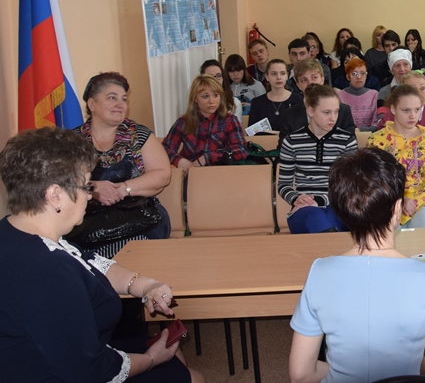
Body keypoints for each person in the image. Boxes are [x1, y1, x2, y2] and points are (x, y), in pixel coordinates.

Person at [0, 128, 204, 383]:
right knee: (192, 377)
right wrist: (151, 359)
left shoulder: (17, 231)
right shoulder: (48, 272)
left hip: (60, 358)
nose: (90, 195)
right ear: (54, 195)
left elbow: (89, 261)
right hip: (63, 373)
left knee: (176, 358)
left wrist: (144, 285)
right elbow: (90, 370)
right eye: (87, 186)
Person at [287, 147, 425, 383]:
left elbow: (301, 375)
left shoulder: (319, 272)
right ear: (397, 210)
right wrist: (409, 367)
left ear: (341, 212)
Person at [73, 72, 172, 256]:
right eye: (112, 98)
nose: (120, 104)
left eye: (124, 99)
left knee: (130, 253)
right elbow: (58, 183)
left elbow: (162, 175)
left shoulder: (140, 135)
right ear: (92, 104)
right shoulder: (72, 141)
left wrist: (124, 189)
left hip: (140, 221)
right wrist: (93, 187)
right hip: (87, 226)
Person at [278, 85, 358, 234]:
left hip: (336, 206)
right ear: (311, 111)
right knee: (314, 215)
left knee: (330, 215)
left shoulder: (347, 140)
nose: (333, 118)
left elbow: (350, 186)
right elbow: (283, 185)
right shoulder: (292, 141)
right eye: (327, 112)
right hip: (303, 210)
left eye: (336, 111)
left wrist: (319, 201)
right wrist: (297, 199)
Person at [368, 85, 425, 228]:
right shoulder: (377, 141)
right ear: (393, 109)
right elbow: (374, 180)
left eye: (417, 110)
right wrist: (400, 200)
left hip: (422, 202)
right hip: (387, 202)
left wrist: (415, 201)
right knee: (383, 233)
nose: (413, 116)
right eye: (406, 110)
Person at [162, 75, 248, 172]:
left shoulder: (230, 120)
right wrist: (179, 161)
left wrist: (207, 157)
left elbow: (241, 150)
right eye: (205, 96)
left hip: (219, 174)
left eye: (215, 95)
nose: (212, 101)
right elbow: (164, 149)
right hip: (191, 174)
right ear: (195, 99)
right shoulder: (183, 122)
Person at [277, 60, 355, 149]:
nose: (310, 83)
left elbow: (350, 147)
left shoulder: (343, 110)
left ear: (322, 79)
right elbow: (283, 148)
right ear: (298, 85)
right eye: (304, 80)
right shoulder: (289, 115)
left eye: (314, 77)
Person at [247, 59, 303, 132]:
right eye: (274, 74)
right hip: (263, 139)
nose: (278, 77)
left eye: (282, 73)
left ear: (287, 75)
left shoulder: (298, 99)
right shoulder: (257, 102)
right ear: (267, 76)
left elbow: (301, 129)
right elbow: (252, 132)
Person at [338, 58, 378, 129]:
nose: (359, 77)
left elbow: (376, 124)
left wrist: (361, 131)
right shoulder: (339, 96)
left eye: (362, 73)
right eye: (354, 74)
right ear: (348, 76)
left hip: (369, 134)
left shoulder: (374, 95)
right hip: (346, 134)